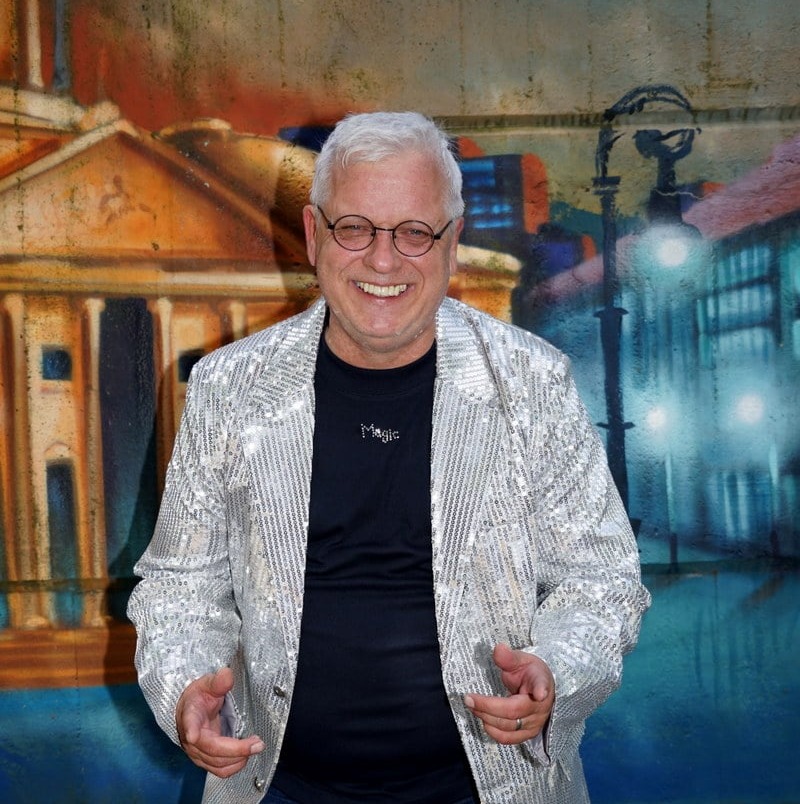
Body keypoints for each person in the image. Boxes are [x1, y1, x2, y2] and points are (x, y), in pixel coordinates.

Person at [128, 110, 651, 804]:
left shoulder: (533, 383)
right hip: (277, 790)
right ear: (314, 234)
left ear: (452, 244)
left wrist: (557, 669)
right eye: (355, 228)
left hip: (494, 789)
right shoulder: (229, 388)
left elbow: (602, 581)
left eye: (414, 232)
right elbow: (178, 589)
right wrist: (185, 685)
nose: (383, 260)